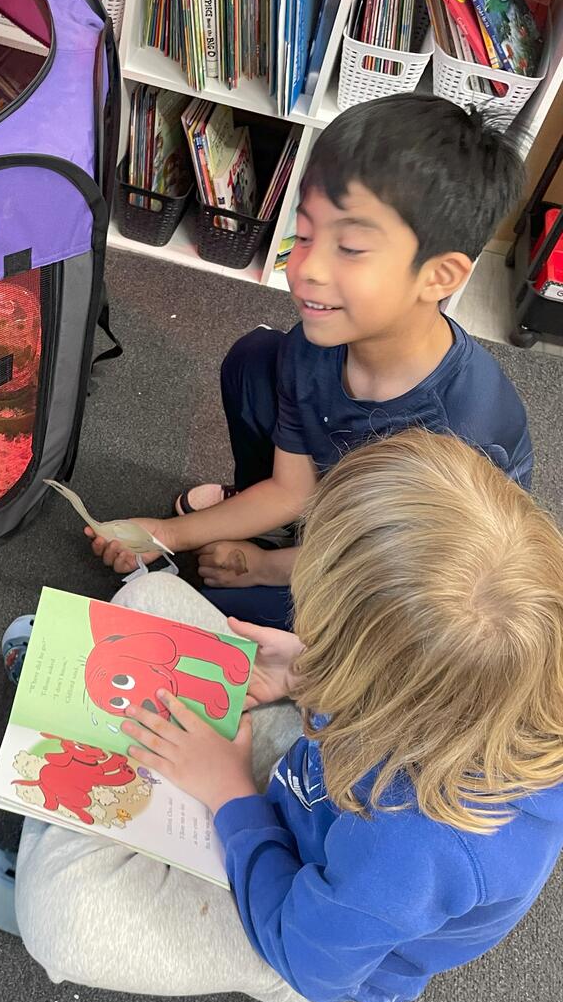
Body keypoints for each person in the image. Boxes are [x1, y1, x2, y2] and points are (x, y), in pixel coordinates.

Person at [0, 430, 563, 1002]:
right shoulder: (486, 681)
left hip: (296, 915)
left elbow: (309, 960)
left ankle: (50, 851)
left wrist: (230, 796)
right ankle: (78, 777)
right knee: (148, 600)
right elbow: (408, 686)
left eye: (324, 634)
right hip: (313, 781)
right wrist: (304, 672)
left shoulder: (418, 852)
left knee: (63, 920)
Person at [89, 95, 532, 629]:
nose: (306, 269)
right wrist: (166, 534)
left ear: (439, 276)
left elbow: (415, 579)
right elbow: (291, 488)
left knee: (234, 620)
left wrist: (265, 568)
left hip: (413, 572)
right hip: (344, 498)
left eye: (351, 247)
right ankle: (278, 530)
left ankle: (283, 551)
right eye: (304, 235)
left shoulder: (457, 439)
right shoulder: (316, 343)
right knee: (255, 360)